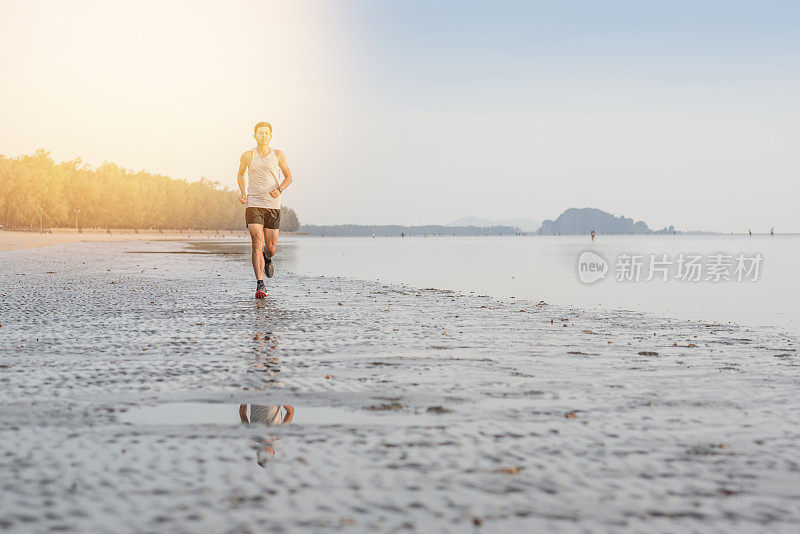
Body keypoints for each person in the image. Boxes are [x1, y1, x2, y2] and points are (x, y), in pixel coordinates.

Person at [237, 122, 294, 298]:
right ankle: (260, 285)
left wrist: (279, 190)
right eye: (260, 133)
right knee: (256, 241)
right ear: (254, 135)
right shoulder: (247, 155)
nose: (263, 135)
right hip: (253, 203)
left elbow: (288, 177)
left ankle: (267, 258)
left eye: (266, 133)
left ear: (270, 136)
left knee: (271, 247)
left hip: (273, 206)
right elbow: (240, 174)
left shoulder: (278, 155)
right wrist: (242, 192)